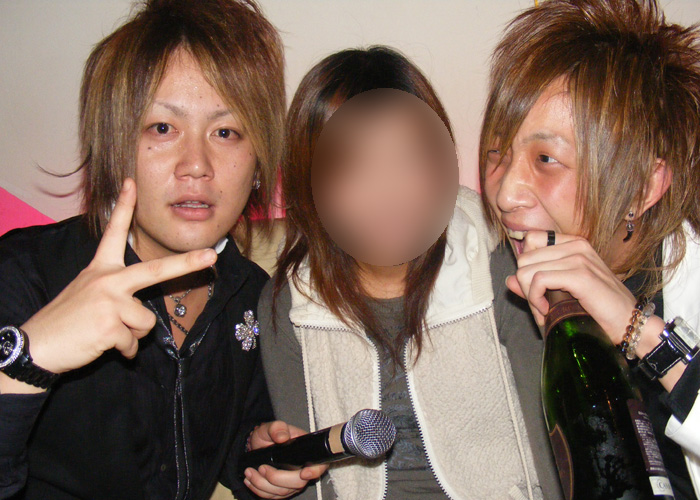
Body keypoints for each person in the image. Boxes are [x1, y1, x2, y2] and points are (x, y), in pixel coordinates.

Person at [0, 1, 321, 498]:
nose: (196, 164)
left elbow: (223, 442)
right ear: (114, 146)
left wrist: (256, 454)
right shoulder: (25, 270)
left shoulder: (254, 294)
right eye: (163, 128)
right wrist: (28, 360)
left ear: (258, 165)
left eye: (226, 132)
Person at [256, 46, 543, 500]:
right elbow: (308, 473)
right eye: (355, 167)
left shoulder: (497, 265)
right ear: (310, 184)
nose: (388, 192)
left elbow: (552, 449)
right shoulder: (290, 302)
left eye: (408, 159)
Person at [479, 0, 700, 498]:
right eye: (499, 152)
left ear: (642, 186)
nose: (506, 193)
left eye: (545, 159)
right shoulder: (509, 280)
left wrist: (641, 333)